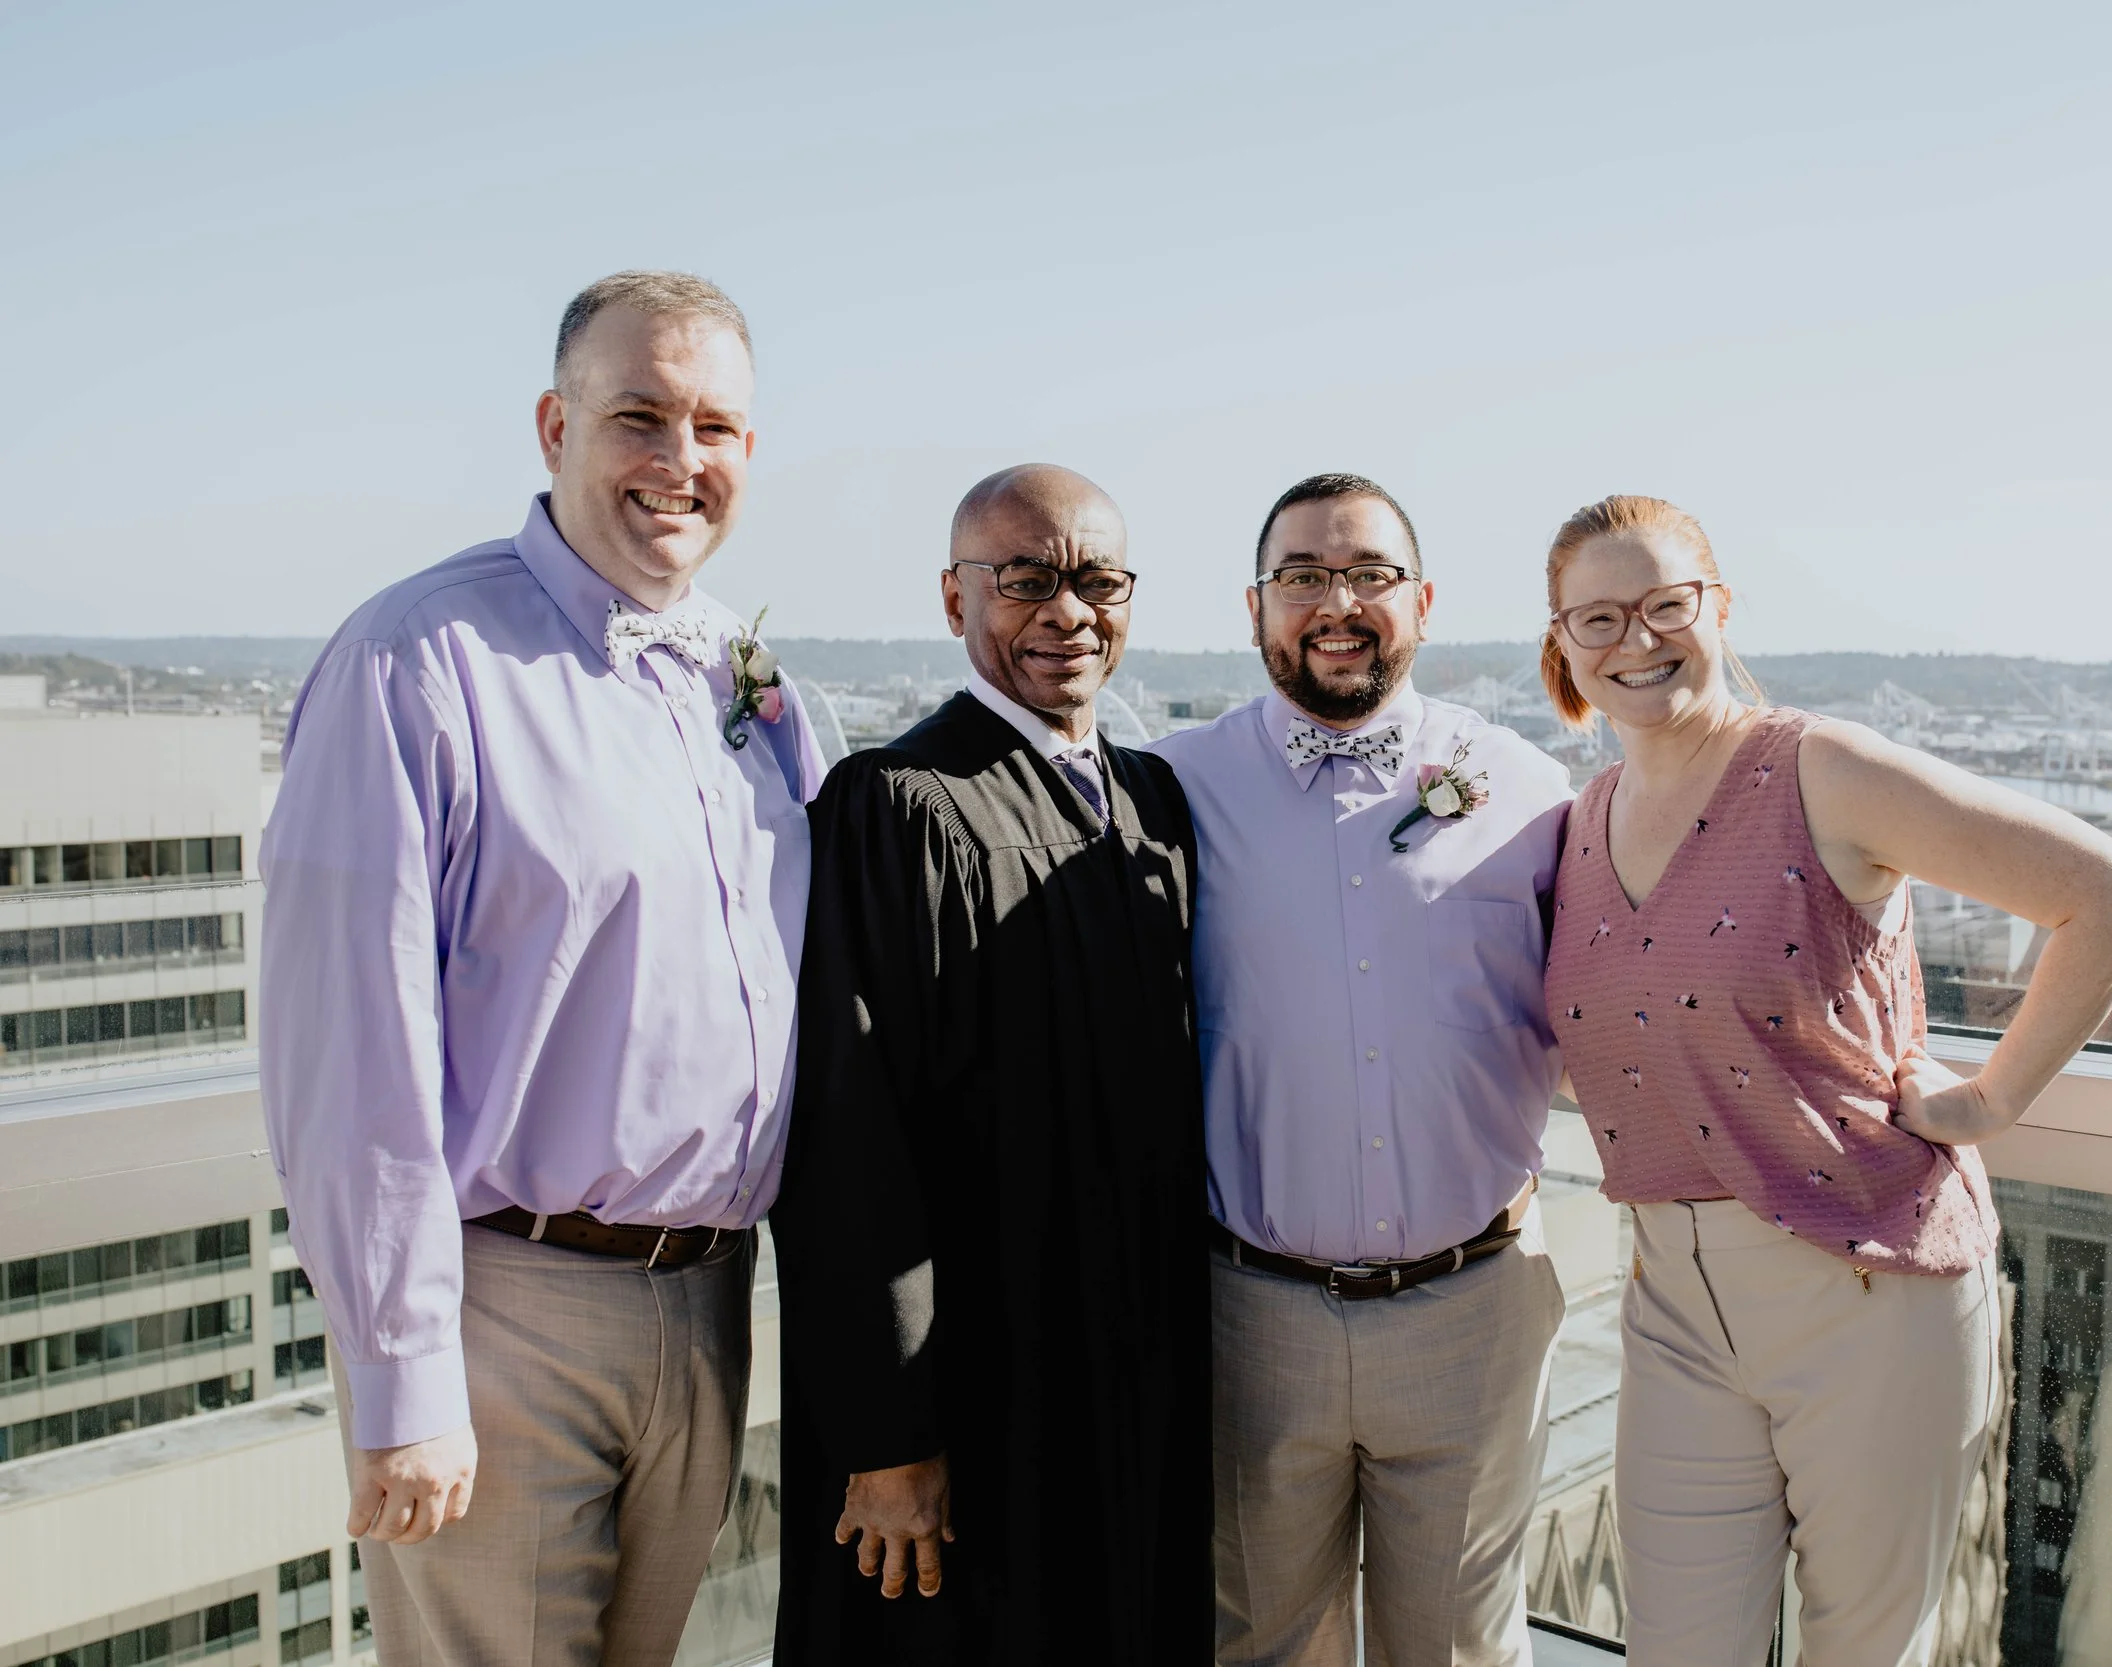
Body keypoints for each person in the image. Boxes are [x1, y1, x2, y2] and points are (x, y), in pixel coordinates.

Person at [259, 271, 824, 1664]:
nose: (679, 460)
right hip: (510, 1312)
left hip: (711, 1306)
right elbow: (352, 1050)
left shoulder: (751, 688)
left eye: (716, 426)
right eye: (639, 415)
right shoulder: (417, 659)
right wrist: (403, 1375)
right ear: (551, 426)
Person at [1537, 494, 2112, 1666]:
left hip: (1869, 1283)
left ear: (1717, 609)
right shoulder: (1579, 823)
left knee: (1865, 1651)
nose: (1637, 640)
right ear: (1561, 645)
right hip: (1672, 1297)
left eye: (1666, 604)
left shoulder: (1818, 768)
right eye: (1600, 617)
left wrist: (1988, 1098)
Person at [773, 464, 1211, 1665]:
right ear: (955, 596)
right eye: (1025, 579)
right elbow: (845, 1132)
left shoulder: (1153, 801)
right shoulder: (895, 804)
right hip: (972, 1385)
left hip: (1136, 1370)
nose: (1067, 612)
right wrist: (885, 1430)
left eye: (1098, 579)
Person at [1153, 473, 1577, 1666]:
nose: (1336, 602)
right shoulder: (1168, 787)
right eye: (1301, 577)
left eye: (1369, 574)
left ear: (1423, 601)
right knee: (1260, 1645)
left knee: (1455, 1650)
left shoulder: (1531, 793)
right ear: (1254, 610)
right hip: (1251, 1312)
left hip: (1476, 1307)